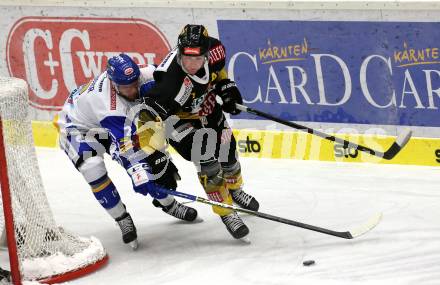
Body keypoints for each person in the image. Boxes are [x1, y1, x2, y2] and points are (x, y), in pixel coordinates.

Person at [54, 54, 199, 249]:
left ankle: (169, 205)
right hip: (78, 127)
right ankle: (122, 218)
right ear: (114, 84)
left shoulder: (145, 73)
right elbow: (127, 149)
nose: (132, 90)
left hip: (108, 124)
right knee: (92, 168)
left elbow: (173, 78)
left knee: (153, 160)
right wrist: (141, 177)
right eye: (126, 87)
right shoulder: (109, 106)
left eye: (134, 83)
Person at [141, 24, 259, 240]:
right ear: (179, 53)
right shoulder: (170, 84)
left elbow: (219, 72)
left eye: (197, 59)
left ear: (205, 53)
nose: (191, 64)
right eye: (186, 58)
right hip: (177, 121)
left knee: (229, 152)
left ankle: (235, 190)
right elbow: (147, 118)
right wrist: (154, 154)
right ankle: (226, 212)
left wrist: (226, 86)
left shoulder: (215, 49)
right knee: (207, 160)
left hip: (208, 108)